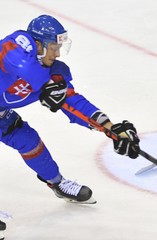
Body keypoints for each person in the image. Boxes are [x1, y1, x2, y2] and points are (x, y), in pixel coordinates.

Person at [0, 14, 140, 235]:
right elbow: (11, 55)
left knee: (29, 141)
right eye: (53, 47)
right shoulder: (19, 44)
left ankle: (57, 184)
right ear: (38, 45)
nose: (57, 54)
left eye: (59, 48)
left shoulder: (52, 73)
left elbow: (73, 103)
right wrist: (44, 83)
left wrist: (111, 128)